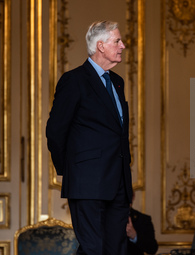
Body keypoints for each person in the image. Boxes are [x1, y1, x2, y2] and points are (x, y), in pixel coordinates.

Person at [46, 21, 133, 255]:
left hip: (118, 183)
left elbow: (118, 131)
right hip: (86, 182)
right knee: (94, 249)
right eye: (117, 41)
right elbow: (55, 130)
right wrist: (70, 170)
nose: (123, 45)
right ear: (101, 46)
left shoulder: (117, 82)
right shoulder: (74, 80)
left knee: (116, 249)